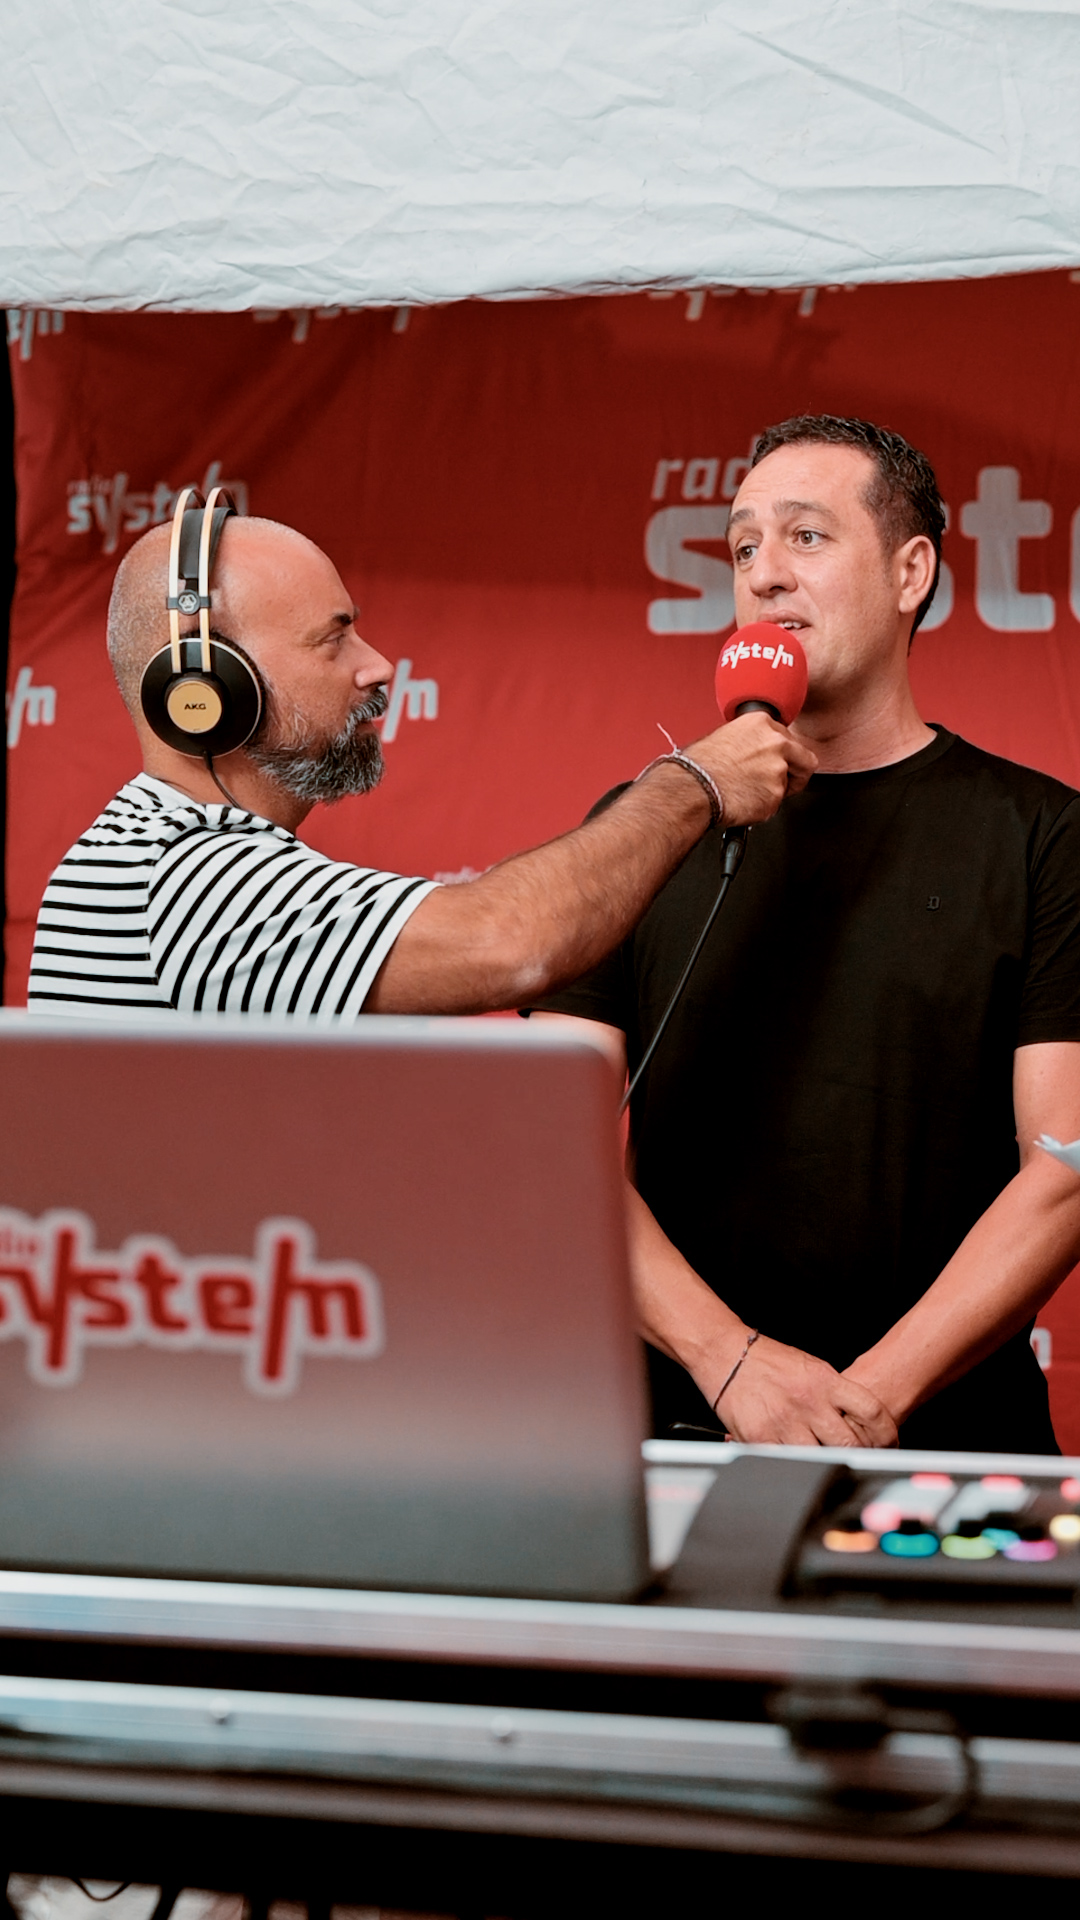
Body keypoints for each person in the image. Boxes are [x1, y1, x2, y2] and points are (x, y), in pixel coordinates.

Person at [533, 415, 1080, 1454]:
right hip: (679, 1434)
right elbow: (543, 1142)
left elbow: (1064, 1168)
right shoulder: (642, 828)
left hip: (941, 1446)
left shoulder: (1044, 837)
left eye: (807, 537)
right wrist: (730, 1361)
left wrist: (862, 1404)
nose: (765, 574)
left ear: (911, 572)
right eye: (743, 547)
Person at [27, 512, 815, 1026]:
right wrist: (695, 783)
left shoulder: (159, 853)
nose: (376, 666)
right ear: (206, 691)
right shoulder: (187, 881)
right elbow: (510, 942)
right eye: (333, 640)